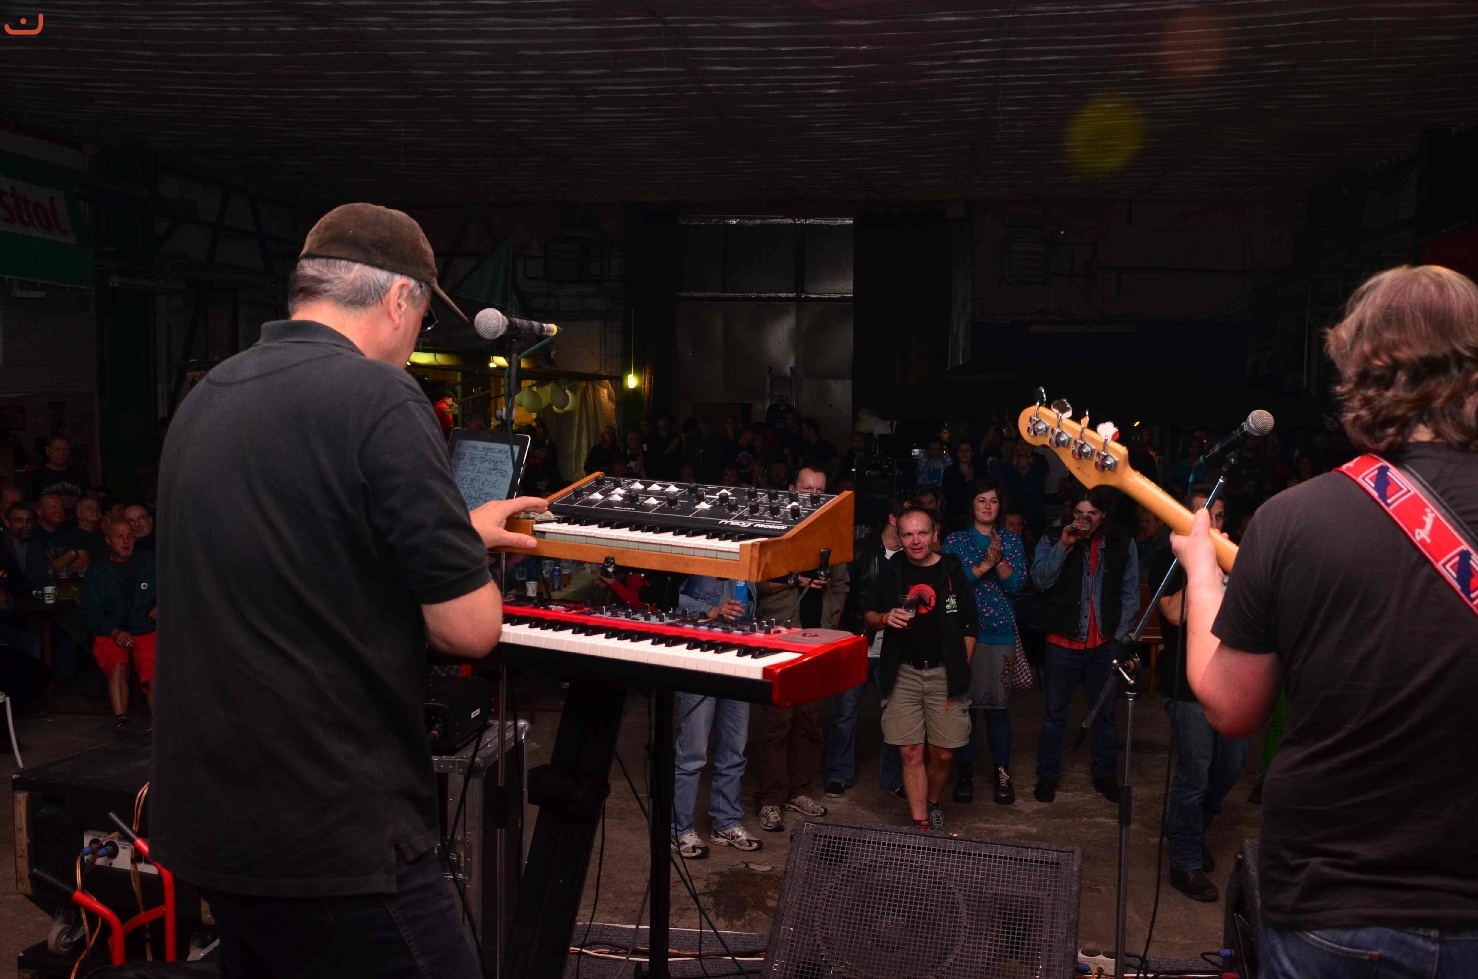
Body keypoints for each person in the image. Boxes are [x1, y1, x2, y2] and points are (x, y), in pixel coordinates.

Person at [150, 202, 548, 979]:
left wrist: (456, 535)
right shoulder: (381, 396)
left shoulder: (210, 394)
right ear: (398, 298)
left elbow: (299, 560)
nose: (415, 339)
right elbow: (469, 629)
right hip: (331, 827)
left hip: (212, 821)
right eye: (423, 319)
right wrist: (469, 571)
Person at [1171, 265, 1478, 979]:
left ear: (1359, 373)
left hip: (1337, 907)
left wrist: (1202, 571)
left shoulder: (1295, 518)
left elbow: (1231, 705)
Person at [1148, 488, 1244, 902]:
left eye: (1219, 516)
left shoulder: (1237, 558)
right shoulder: (1168, 559)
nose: (1213, 524)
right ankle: (1184, 859)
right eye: (1205, 516)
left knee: (1229, 770)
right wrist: (1202, 566)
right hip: (1187, 688)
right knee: (1195, 775)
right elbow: (1172, 613)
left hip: (1233, 682)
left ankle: (1188, 829)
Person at [864, 508, 977, 831]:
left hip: (945, 673)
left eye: (922, 533)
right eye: (908, 534)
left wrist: (961, 668)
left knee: (943, 754)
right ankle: (922, 823)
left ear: (935, 534)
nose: (916, 541)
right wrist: (884, 618)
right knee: (910, 751)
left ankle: (933, 801)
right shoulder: (891, 571)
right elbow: (868, 614)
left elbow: (970, 624)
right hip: (903, 673)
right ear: (899, 538)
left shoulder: (952, 571)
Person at [752, 468, 848, 831]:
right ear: (792, 490)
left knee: (809, 721)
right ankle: (770, 798)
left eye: (821, 490)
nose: (814, 496)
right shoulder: (775, 530)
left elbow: (842, 583)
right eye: (808, 489)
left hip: (817, 638)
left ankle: (798, 790)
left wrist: (832, 621)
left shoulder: (832, 533)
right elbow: (756, 583)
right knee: (777, 722)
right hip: (780, 636)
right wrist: (797, 580)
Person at [1030, 485, 1139, 803]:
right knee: (1054, 714)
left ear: (1103, 515)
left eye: (1092, 513)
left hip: (1104, 643)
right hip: (1062, 641)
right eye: (1079, 512)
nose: (1084, 519)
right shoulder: (1053, 538)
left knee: (1105, 715)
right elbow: (1040, 580)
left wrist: (1119, 637)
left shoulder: (1122, 542)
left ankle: (1105, 775)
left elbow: (1131, 593)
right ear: (1070, 513)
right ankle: (1048, 775)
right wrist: (1064, 546)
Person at [942, 479, 1027, 805]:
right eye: (981, 500)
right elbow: (952, 584)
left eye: (993, 500)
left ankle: (1002, 773)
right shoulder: (956, 540)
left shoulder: (1011, 540)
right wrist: (986, 564)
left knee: (997, 710)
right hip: (963, 633)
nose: (988, 506)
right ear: (972, 505)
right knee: (965, 709)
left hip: (999, 633)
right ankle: (964, 774)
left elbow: (1016, 585)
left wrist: (999, 559)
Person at [671, 575, 765, 858]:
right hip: (699, 660)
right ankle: (677, 829)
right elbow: (666, 598)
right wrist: (710, 610)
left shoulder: (749, 564)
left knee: (734, 749)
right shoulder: (698, 557)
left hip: (737, 658)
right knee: (693, 752)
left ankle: (726, 822)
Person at [827, 494, 906, 797]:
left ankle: (893, 779)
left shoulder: (910, 557)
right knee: (845, 712)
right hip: (858, 641)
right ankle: (838, 774)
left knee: (896, 714)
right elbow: (842, 595)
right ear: (892, 519)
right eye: (907, 519)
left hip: (893, 647)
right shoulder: (861, 550)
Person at [81, 520, 158, 739]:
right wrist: (114, 631)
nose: (126, 541)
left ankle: (158, 721)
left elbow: (176, 585)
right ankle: (122, 721)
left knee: (154, 674)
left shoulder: (150, 562)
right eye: (119, 536)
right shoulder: (97, 571)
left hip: (145, 627)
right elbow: (89, 612)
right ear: (108, 540)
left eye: (130, 536)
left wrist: (162, 603)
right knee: (118, 668)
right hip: (111, 630)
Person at [24, 435, 87, 516]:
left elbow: (90, 497)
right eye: (57, 450)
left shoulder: (78, 473)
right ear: (47, 451)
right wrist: (57, 504)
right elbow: (29, 504)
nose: (61, 453)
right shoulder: (36, 475)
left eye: (65, 450)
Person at [35, 493, 91, 574]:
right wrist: (71, 554)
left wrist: (60, 566)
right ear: (40, 512)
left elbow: (85, 562)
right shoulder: (33, 533)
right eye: (53, 507)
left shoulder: (69, 529)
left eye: (61, 507)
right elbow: (46, 569)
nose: (59, 510)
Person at [1135, 505, 1170, 581]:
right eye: (1142, 522)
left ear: (1160, 522)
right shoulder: (1147, 541)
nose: (1143, 525)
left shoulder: (1167, 543)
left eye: (1147, 521)